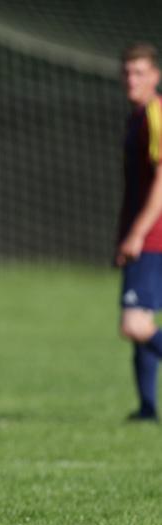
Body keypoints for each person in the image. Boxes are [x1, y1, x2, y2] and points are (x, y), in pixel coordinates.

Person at [117, 42, 162, 421]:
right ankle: (147, 408)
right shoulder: (137, 117)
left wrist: (137, 232)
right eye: (127, 72)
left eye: (140, 72)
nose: (132, 79)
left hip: (154, 237)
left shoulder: (155, 115)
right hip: (145, 234)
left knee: (135, 323)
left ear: (156, 76)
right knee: (141, 315)